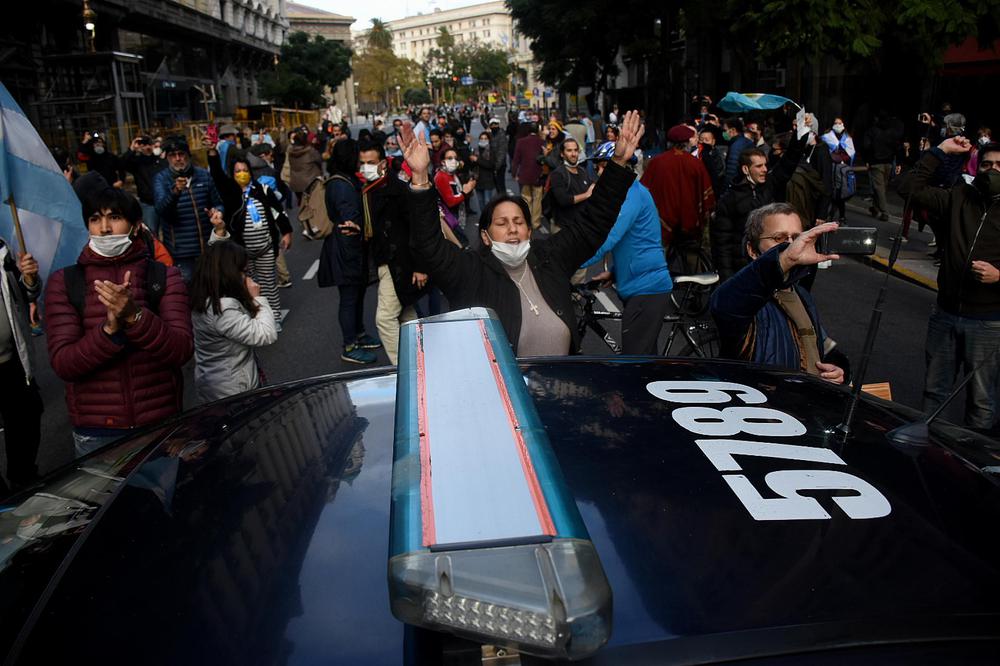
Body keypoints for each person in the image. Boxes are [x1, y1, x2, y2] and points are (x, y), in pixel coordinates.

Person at [403, 111, 643, 356]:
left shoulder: (550, 259)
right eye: (502, 223)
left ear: (529, 231)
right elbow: (428, 245)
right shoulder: (469, 273)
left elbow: (592, 224)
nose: (512, 228)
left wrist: (618, 164)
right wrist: (420, 179)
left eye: (519, 221)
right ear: (485, 236)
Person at [45, 187, 193, 457]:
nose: (104, 229)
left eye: (114, 217)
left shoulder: (163, 277)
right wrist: (109, 331)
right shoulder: (65, 283)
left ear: (135, 226)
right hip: (98, 433)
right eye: (95, 219)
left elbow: (181, 350)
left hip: (160, 425)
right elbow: (64, 364)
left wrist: (136, 318)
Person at [900, 137, 1000, 431]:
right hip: (945, 313)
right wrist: (940, 151)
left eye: (999, 165)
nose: (992, 170)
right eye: (987, 165)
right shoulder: (958, 197)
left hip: (988, 321)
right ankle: (932, 447)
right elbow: (908, 188)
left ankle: (975, 454)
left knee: (982, 400)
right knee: (934, 392)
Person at [710, 203, 847, 383]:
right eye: (779, 238)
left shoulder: (801, 294)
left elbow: (819, 349)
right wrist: (785, 258)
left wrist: (837, 371)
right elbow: (724, 304)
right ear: (752, 249)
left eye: (796, 237)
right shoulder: (747, 297)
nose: (791, 245)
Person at [580, 142, 672, 354]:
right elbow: (637, 241)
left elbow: (607, 238)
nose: (599, 172)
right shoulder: (626, 193)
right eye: (597, 167)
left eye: (605, 167)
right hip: (639, 285)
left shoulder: (631, 195)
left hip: (647, 288)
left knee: (633, 362)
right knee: (644, 360)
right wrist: (614, 271)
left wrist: (567, 263)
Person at [206, 149, 292, 329]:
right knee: (248, 286)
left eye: (245, 170)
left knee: (268, 283)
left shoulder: (262, 190)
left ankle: (275, 317)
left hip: (265, 248)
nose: (242, 174)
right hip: (242, 252)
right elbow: (217, 175)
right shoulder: (231, 194)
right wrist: (213, 154)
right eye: (237, 171)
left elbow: (277, 212)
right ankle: (256, 317)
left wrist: (286, 232)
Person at [359, 142, 428, 365]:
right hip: (383, 262)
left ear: (382, 163)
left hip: (401, 263)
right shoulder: (369, 189)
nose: (365, 167)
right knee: (406, 314)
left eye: (371, 162)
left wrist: (420, 266)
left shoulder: (397, 190)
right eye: (362, 163)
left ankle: (405, 369)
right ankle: (421, 360)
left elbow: (416, 229)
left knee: (385, 318)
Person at [317, 139, 382, 364]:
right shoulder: (341, 185)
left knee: (358, 294)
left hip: (353, 248)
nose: (361, 163)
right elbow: (349, 220)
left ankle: (359, 334)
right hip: (346, 249)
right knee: (349, 297)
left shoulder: (346, 179)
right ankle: (350, 345)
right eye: (358, 157)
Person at [189, 241, 277, 403]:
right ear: (229, 273)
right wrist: (257, 298)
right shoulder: (222, 310)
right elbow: (266, 334)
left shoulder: (205, 298)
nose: (247, 277)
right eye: (243, 271)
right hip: (234, 388)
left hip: (213, 381)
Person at [711, 135, 805, 282]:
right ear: (745, 169)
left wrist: (800, 135)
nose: (765, 170)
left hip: (770, 262)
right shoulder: (729, 200)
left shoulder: (769, 185)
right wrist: (727, 277)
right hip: (742, 268)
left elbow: (788, 163)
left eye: (765, 165)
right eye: (759, 166)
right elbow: (722, 243)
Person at [0, 239, 42, 491]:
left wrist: (29, 278)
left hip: (12, 360)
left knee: (26, 417)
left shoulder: (2, 250)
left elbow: (25, 296)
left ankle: (22, 478)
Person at [153, 136, 224, 282]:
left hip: (208, 247)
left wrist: (217, 212)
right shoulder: (161, 179)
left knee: (212, 288)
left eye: (181, 154)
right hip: (181, 253)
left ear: (188, 155)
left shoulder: (203, 175)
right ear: (167, 158)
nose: (178, 159)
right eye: (173, 155)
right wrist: (175, 192)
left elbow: (218, 202)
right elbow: (161, 210)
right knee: (188, 291)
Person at [640, 124, 716, 251]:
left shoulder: (657, 162)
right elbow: (707, 196)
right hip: (690, 224)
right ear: (687, 143)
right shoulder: (695, 164)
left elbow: (644, 191)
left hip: (660, 223)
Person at [119, 134, 164, 235]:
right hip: (148, 203)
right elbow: (122, 164)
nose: (147, 146)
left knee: (168, 230)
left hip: (163, 201)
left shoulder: (159, 160)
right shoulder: (137, 162)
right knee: (151, 232)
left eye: (149, 144)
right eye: (143, 144)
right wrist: (132, 149)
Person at [863, 111, 903, 221]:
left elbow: (866, 146)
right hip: (888, 162)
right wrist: (899, 163)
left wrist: (867, 160)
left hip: (876, 162)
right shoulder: (892, 132)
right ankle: (875, 208)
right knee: (882, 187)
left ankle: (884, 212)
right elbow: (898, 147)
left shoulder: (872, 131)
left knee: (879, 188)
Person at [547, 138, 594, 231]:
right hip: (563, 228)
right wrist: (587, 195)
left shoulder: (582, 171)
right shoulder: (557, 174)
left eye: (576, 150)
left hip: (581, 226)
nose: (573, 154)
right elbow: (563, 200)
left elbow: (591, 188)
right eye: (569, 150)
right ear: (562, 154)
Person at [434, 146, 476, 243]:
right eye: (449, 158)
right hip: (450, 215)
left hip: (456, 213)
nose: (453, 161)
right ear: (443, 162)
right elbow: (450, 202)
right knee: (461, 242)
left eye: (455, 158)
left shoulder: (451, 174)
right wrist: (465, 192)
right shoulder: (441, 176)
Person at [820, 117, 856, 223]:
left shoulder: (847, 138)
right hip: (830, 168)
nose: (838, 125)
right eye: (836, 123)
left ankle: (840, 216)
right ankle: (829, 215)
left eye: (840, 123)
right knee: (830, 192)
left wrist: (841, 157)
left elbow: (850, 153)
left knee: (840, 193)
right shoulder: (826, 137)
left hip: (841, 171)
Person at [511, 122, 546, 230]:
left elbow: (516, 159)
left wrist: (514, 173)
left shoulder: (521, 142)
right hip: (538, 174)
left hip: (524, 174)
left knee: (526, 199)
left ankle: (527, 220)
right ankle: (536, 222)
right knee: (538, 199)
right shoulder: (542, 142)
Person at [722, 118, 755, 188]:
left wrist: (726, 188)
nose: (724, 133)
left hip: (737, 185)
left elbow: (731, 171)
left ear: (733, 130)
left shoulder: (736, 146)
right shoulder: (747, 142)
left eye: (725, 130)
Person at [471, 131, 498, 211]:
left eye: (485, 138)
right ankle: (484, 217)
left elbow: (491, 165)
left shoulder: (491, 151)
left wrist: (477, 160)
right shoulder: (475, 150)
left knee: (487, 202)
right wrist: (472, 161)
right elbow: (472, 166)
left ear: (489, 140)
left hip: (488, 180)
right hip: (478, 180)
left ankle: (488, 217)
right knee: (480, 202)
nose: (483, 140)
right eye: (481, 138)